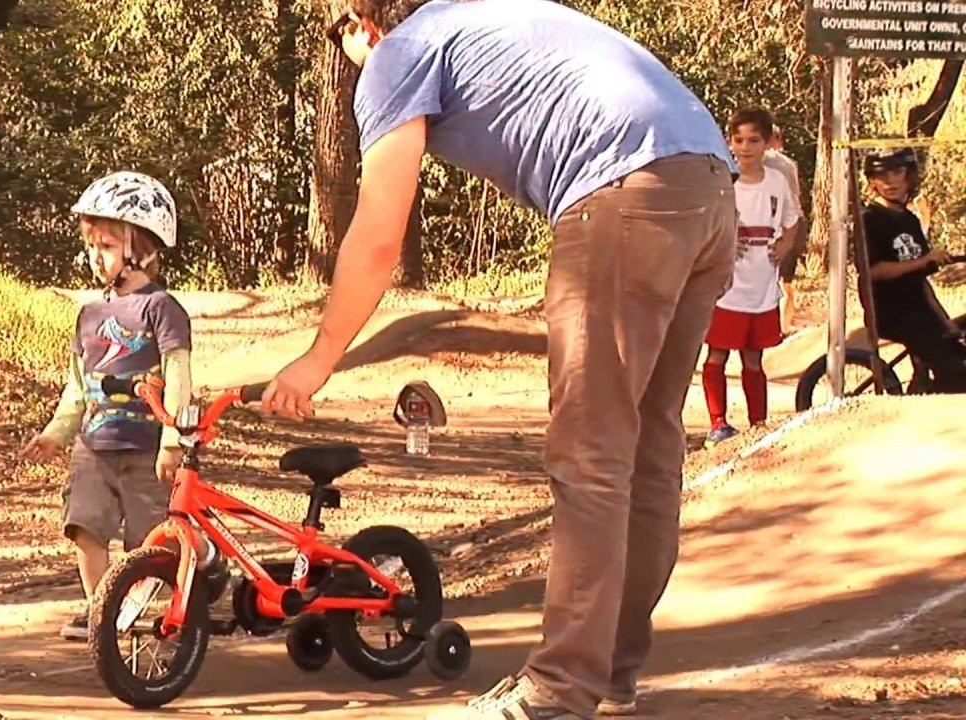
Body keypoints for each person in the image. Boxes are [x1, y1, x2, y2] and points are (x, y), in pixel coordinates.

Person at [260, 1, 737, 718]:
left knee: (591, 452)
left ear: (362, 23)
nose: (347, 53)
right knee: (648, 446)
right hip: (710, 187)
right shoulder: (483, 16)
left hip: (622, 194)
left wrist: (321, 354)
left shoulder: (395, 53)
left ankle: (559, 688)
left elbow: (379, 232)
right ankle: (608, 672)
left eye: (339, 37)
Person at [22, 171, 194, 641]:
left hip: (144, 448)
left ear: (143, 247)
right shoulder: (90, 313)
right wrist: (56, 433)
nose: (94, 257)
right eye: (91, 246)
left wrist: (173, 440)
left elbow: (178, 378)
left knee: (147, 540)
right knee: (84, 524)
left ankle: (128, 608)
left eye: (107, 246)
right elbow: (78, 385)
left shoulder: (161, 308)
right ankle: (101, 611)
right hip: (92, 448)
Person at [701, 107, 800, 447]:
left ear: (767, 142)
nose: (745, 147)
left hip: (762, 283)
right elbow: (706, 225)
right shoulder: (722, 180)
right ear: (729, 142)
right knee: (717, 353)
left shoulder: (777, 181)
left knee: (754, 356)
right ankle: (717, 423)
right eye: (739, 140)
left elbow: (791, 221)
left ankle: (758, 423)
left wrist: (785, 246)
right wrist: (724, 244)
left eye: (753, 140)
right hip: (728, 286)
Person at [860, 146, 966, 392]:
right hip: (892, 313)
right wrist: (922, 261)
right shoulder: (870, 218)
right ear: (872, 181)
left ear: (909, 175)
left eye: (897, 172)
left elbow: (921, 282)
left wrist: (943, 319)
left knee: (956, 343)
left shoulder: (909, 219)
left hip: (920, 311)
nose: (890, 181)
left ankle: (923, 382)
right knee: (956, 369)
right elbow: (872, 271)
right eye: (881, 175)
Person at [765, 124, 806, 328]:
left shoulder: (762, 161)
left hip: (775, 224)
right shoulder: (789, 163)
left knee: (772, 280)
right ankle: (785, 326)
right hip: (796, 222)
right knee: (786, 281)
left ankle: (775, 328)